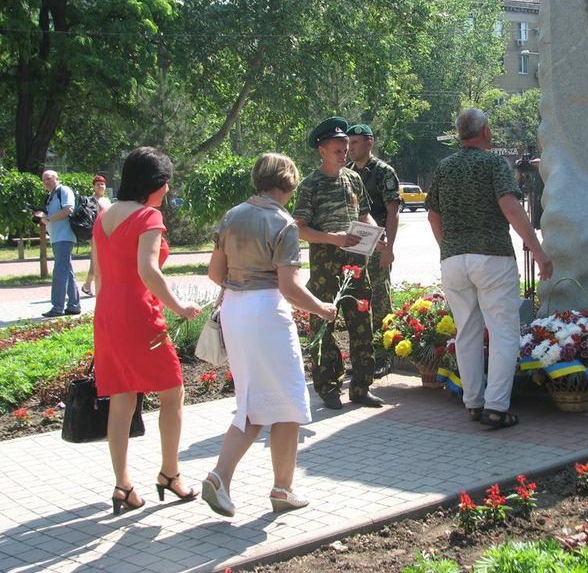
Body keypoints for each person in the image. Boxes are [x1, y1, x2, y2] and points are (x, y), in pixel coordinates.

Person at [202, 153, 337, 517]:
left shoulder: (232, 216)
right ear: (288, 181)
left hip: (235, 309)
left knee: (253, 400)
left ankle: (227, 479)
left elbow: (216, 273)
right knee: (289, 400)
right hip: (266, 313)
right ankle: (277, 487)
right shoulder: (284, 223)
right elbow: (289, 287)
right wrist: (323, 308)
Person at [92, 147, 202, 515]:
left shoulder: (103, 216)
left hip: (107, 312)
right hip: (139, 315)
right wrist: (179, 306)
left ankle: (123, 485)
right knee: (173, 391)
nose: (168, 190)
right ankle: (170, 473)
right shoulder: (148, 217)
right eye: (166, 183)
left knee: (122, 398)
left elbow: (101, 273)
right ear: (155, 184)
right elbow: (148, 270)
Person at [426, 108, 553, 428]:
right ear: (485, 132)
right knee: (503, 332)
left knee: (466, 331)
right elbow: (510, 207)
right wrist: (538, 251)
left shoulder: (444, 167)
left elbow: (432, 215)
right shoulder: (495, 163)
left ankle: (473, 403)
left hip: (454, 261)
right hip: (493, 257)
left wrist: (449, 249)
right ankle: (496, 406)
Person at [293, 116, 385, 410]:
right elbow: (300, 228)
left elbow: (364, 215)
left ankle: (361, 388)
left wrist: (375, 234)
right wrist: (333, 238)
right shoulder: (311, 185)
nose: (344, 151)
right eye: (338, 147)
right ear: (322, 150)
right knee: (323, 326)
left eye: (346, 146)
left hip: (356, 263)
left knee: (362, 325)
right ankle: (329, 388)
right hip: (325, 266)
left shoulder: (353, 178)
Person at [345, 123, 401, 377]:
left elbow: (392, 212)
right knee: (355, 300)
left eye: (355, 142)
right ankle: (362, 356)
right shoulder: (345, 172)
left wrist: (388, 248)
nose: (349, 147)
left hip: (377, 246)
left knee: (379, 300)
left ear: (369, 142)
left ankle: (383, 355)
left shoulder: (383, 172)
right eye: (348, 143)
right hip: (353, 247)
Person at [34, 170, 81, 317]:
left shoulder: (64, 190)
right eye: (43, 180)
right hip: (57, 237)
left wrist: (48, 219)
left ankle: (57, 307)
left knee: (59, 272)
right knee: (67, 271)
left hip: (64, 236)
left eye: (49, 178)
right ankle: (74, 306)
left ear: (57, 178)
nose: (46, 182)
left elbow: (68, 209)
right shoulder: (51, 195)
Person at [82, 175, 113, 296]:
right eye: (98, 184)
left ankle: (90, 284)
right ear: (93, 187)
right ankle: (88, 285)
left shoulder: (107, 200)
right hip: (96, 233)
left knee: (103, 260)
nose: (100, 186)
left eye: (102, 184)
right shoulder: (91, 200)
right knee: (97, 259)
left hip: (108, 232)